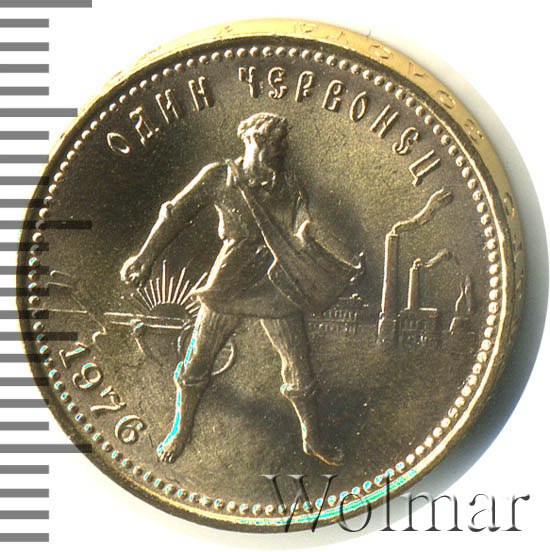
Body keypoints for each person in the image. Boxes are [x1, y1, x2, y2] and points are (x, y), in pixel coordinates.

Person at [121, 112, 353, 466]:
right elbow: (174, 213)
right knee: (197, 359)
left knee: (298, 364)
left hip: (277, 281)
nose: (283, 149)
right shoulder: (220, 176)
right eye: (277, 143)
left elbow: (302, 225)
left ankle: (312, 438)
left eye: (282, 143)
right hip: (229, 280)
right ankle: (181, 429)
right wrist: (144, 257)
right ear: (255, 141)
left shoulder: (289, 184)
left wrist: (305, 238)